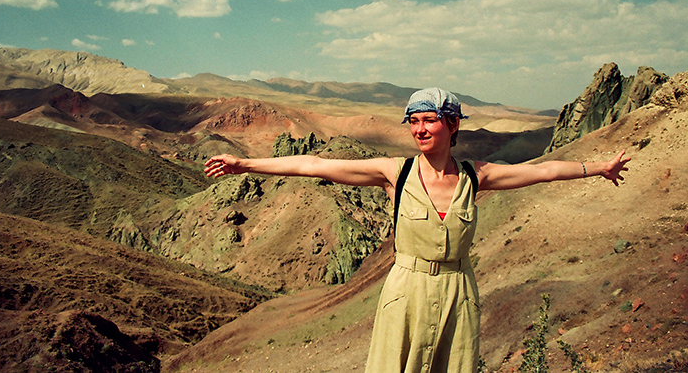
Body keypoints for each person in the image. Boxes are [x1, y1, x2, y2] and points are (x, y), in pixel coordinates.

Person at [204, 88, 630, 373]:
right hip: (405, 290)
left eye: (430, 120)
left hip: (458, 292)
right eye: (414, 121)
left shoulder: (476, 176)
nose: (420, 129)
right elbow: (314, 165)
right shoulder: (395, 172)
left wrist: (598, 168)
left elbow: (543, 172)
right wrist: (245, 164)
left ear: (452, 125)